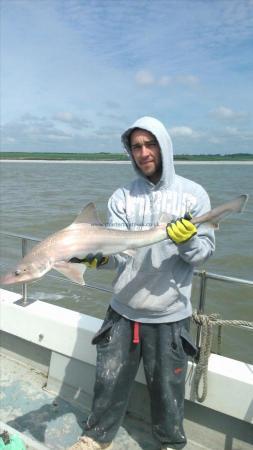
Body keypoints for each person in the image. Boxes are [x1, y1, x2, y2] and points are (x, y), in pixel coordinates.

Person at [69, 116, 215, 450]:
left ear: (164, 146)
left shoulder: (194, 195)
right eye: (137, 146)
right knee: (108, 383)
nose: (144, 152)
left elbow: (203, 255)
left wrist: (187, 242)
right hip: (122, 310)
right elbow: (120, 256)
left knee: (167, 391)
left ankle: (169, 444)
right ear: (130, 152)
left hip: (169, 314)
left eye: (150, 144)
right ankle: (95, 438)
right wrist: (100, 259)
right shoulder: (121, 196)